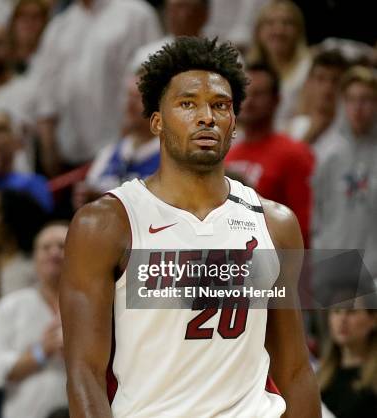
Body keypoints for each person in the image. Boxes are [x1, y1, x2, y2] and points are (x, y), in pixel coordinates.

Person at [60, 37, 320, 417]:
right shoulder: (106, 224)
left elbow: (295, 369)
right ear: (157, 122)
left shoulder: (275, 223)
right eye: (187, 104)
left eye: (220, 106)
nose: (206, 117)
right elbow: (84, 373)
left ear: (233, 124)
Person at [28, 0, 161, 176]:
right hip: (67, 160)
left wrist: (126, 141)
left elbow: (155, 80)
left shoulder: (137, 15)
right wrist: (48, 146)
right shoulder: (60, 25)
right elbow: (46, 94)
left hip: (120, 157)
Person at [0, 222, 69, 418]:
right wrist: (40, 352)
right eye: (46, 247)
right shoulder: (10, 305)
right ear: (35, 258)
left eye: (62, 246)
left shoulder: (90, 308)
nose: (54, 253)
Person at [225, 63, 314, 247]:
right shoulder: (227, 154)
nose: (249, 101)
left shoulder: (294, 154)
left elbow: (305, 226)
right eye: (244, 94)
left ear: (276, 100)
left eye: (258, 94)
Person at [312, 66, 377, 279]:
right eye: (351, 99)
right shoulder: (325, 152)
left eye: (366, 99)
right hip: (332, 268)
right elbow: (315, 212)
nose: (358, 108)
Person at [73, 72, 159, 210]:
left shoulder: (170, 159)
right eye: (128, 96)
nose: (129, 104)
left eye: (138, 98)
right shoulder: (109, 153)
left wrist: (107, 200)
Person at [246, 0, 312, 130]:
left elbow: (310, 118)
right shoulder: (247, 69)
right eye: (270, 23)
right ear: (258, 31)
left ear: (299, 31)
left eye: (287, 23)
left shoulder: (309, 68)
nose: (278, 30)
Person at [286, 48, 349, 163]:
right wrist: (309, 136)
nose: (327, 88)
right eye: (321, 79)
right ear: (308, 83)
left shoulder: (353, 127)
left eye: (335, 81)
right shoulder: (294, 128)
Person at [318, 297, 377, 418]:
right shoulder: (318, 376)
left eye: (351, 312)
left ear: (373, 319)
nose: (342, 319)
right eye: (337, 311)